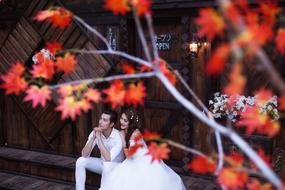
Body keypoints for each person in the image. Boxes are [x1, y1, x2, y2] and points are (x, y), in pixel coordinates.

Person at [100, 109, 186, 190]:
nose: (121, 122)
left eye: (125, 120)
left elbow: (129, 156)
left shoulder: (135, 133)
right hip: (134, 160)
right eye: (121, 119)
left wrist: (122, 137)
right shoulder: (127, 130)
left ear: (131, 122)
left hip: (142, 161)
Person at [75, 109, 125, 190]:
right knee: (80, 161)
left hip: (117, 167)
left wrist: (98, 138)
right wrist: (93, 137)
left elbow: (108, 158)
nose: (101, 122)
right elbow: (84, 154)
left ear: (111, 124)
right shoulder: (96, 132)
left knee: (107, 164)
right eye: (101, 119)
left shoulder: (117, 136)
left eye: (105, 120)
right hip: (103, 165)